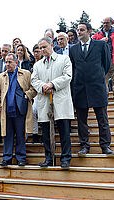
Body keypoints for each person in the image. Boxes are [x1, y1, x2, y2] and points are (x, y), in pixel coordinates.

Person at [69, 22, 114, 155]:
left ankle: (105, 146)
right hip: (80, 89)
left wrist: (97, 77)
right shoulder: (73, 49)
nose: (79, 32)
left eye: (82, 30)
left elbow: (106, 65)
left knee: (102, 119)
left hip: (97, 87)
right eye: (78, 30)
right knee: (82, 121)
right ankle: (84, 146)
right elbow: (73, 68)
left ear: (89, 31)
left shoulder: (100, 45)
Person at [31, 37, 74, 169]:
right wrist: (43, 86)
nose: (42, 50)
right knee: (45, 133)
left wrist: (52, 84)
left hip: (60, 100)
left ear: (51, 45)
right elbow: (34, 80)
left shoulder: (64, 59)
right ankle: (49, 158)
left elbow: (67, 76)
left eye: (45, 47)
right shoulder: (37, 65)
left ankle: (65, 159)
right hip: (45, 101)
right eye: (40, 48)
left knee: (64, 131)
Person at [0, 53, 36, 166]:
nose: (7, 64)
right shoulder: (1, 77)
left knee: (21, 134)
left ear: (16, 62)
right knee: (7, 135)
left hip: (20, 109)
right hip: (6, 110)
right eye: (6, 62)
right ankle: (7, 158)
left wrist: (27, 95)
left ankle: (21, 158)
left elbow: (34, 87)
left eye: (10, 62)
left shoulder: (26, 74)